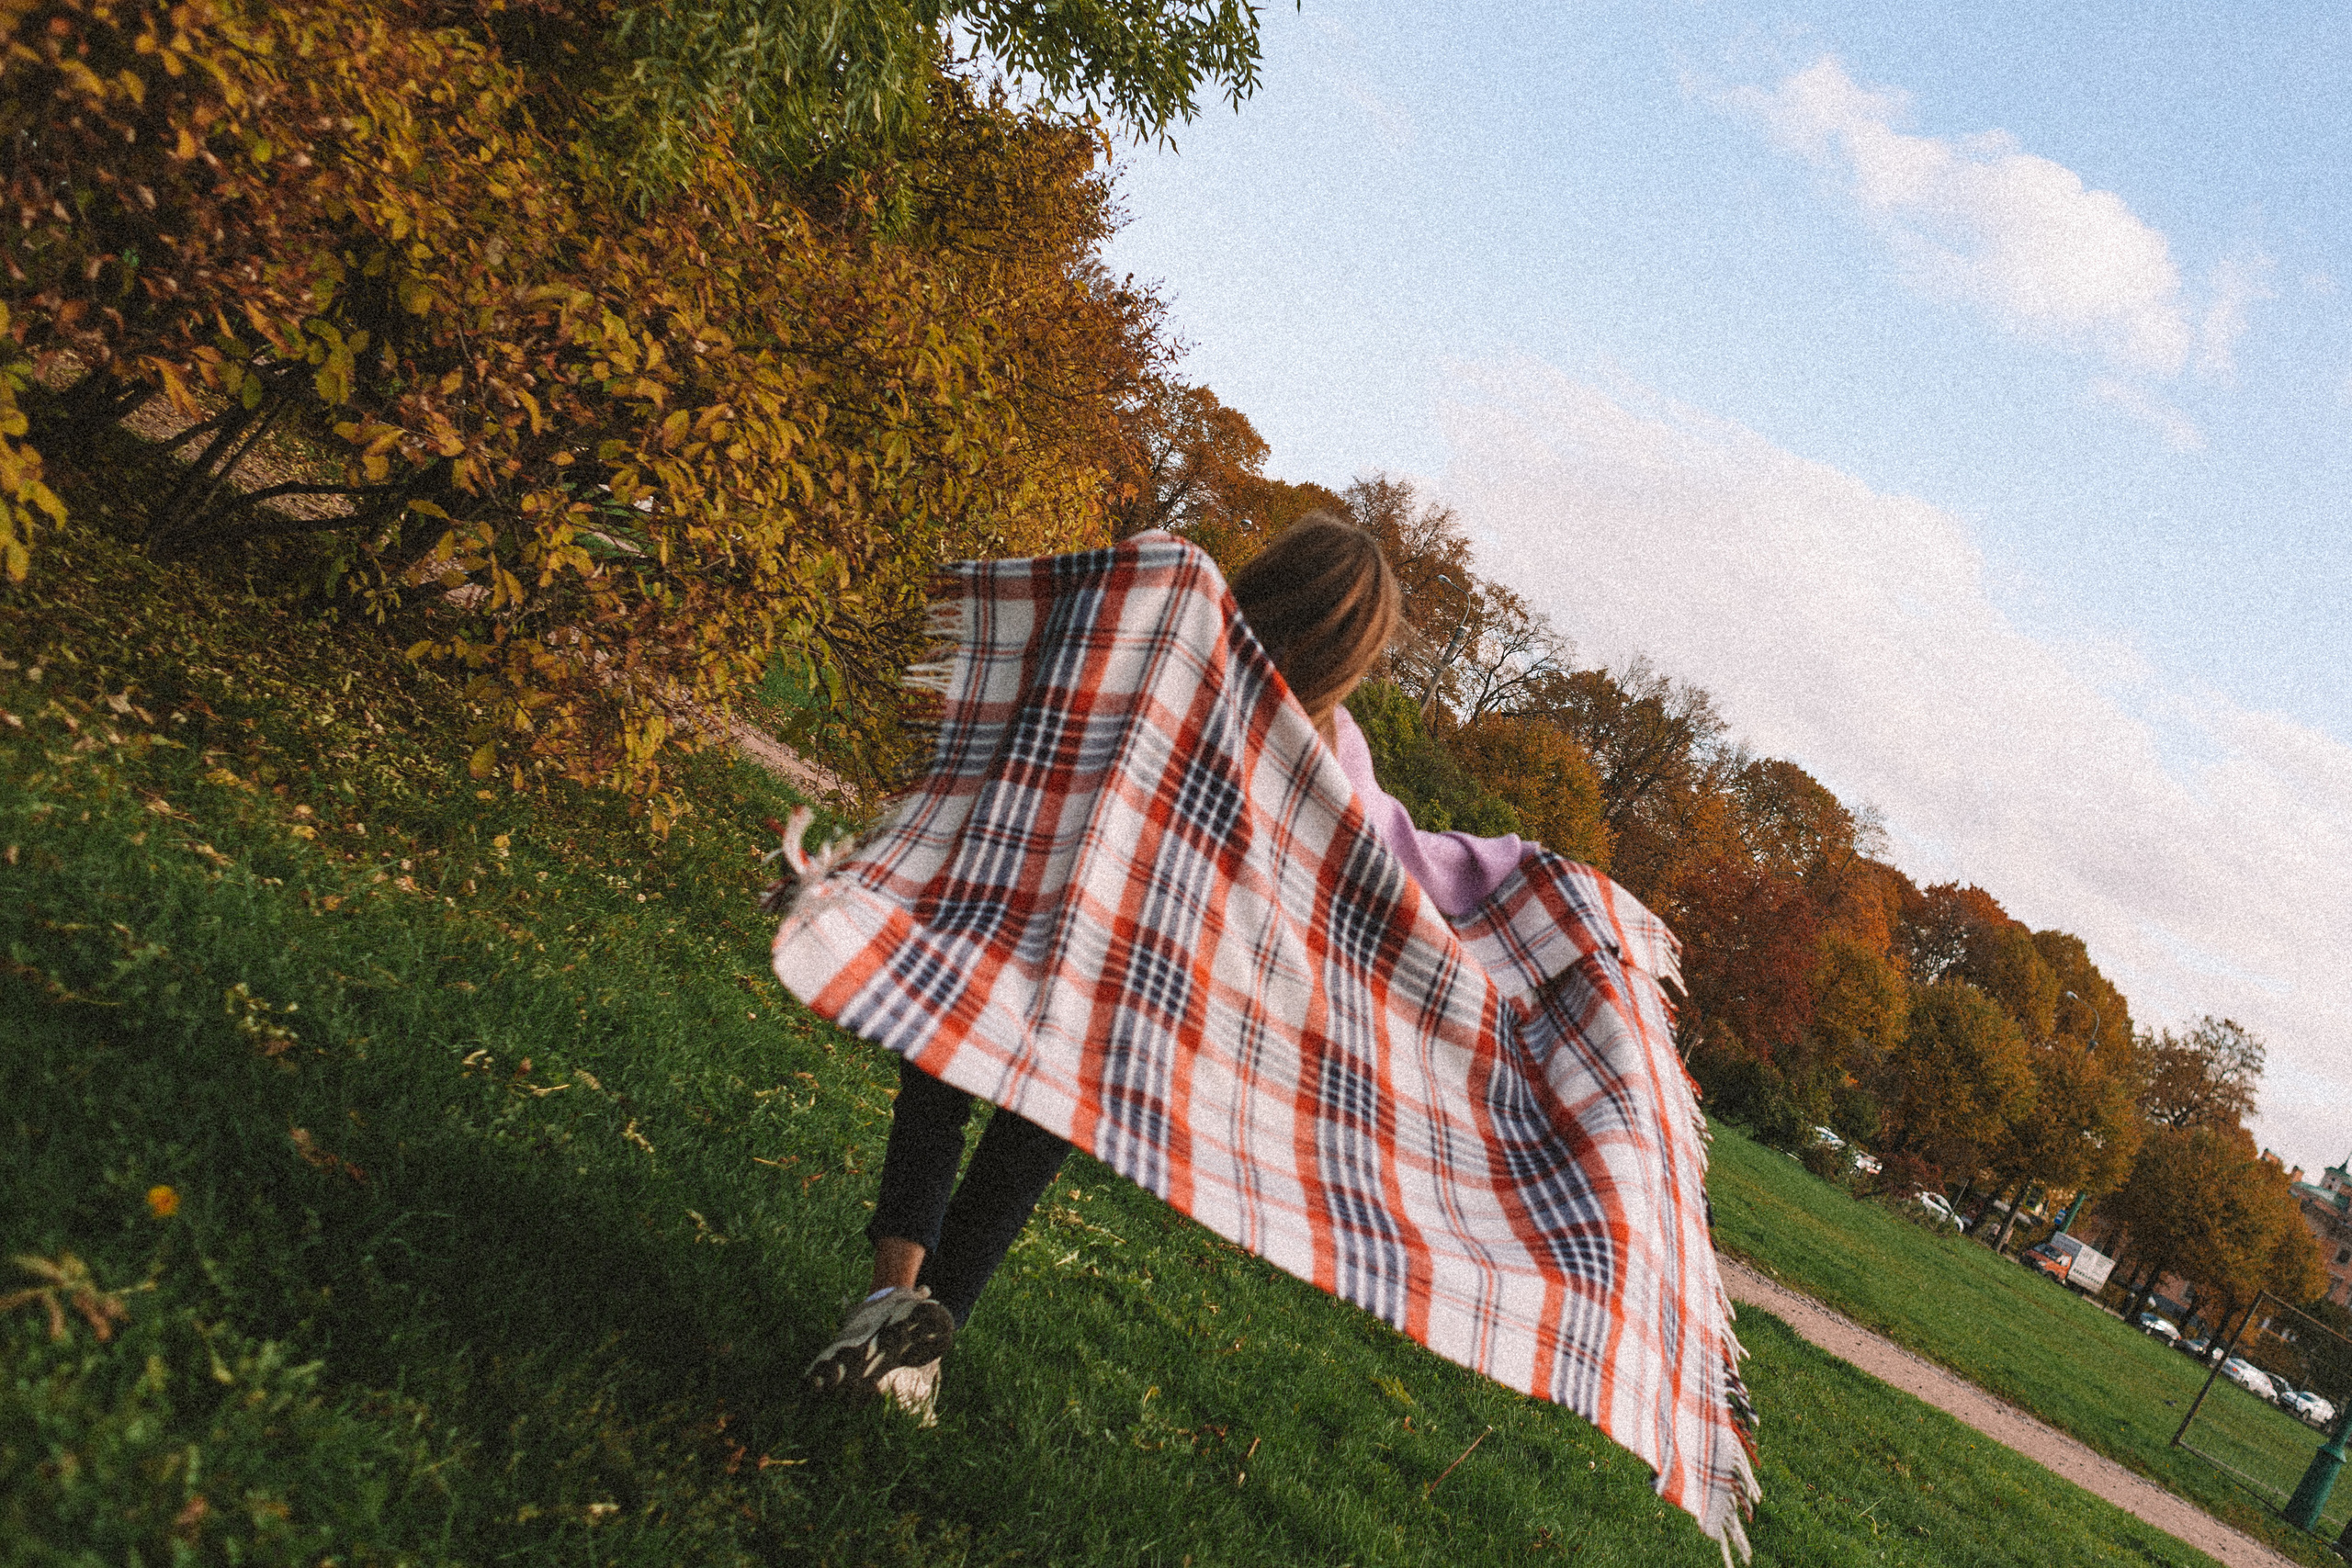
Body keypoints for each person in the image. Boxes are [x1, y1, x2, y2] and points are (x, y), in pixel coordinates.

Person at [798, 513, 1531, 1417]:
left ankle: (890, 1294)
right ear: (1353, 652)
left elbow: (1083, 611)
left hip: (1038, 888)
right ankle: (917, 1351)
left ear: (1276, 574)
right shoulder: (1329, 746)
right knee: (1027, 1146)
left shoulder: (1184, 617)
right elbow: (1400, 862)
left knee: (938, 1071)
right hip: (1142, 973)